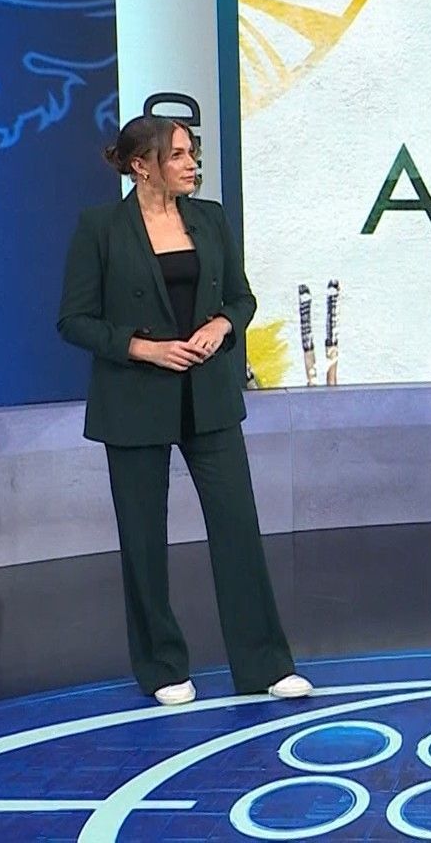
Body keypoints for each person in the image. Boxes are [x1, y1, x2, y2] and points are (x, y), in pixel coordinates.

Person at [57, 113, 311, 706]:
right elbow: (74, 319)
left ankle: (265, 664)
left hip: (209, 397)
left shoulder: (211, 218)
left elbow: (241, 298)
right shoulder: (100, 228)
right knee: (143, 540)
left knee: (237, 529)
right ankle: (161, 666)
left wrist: (223, 326)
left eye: (192, 152)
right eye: (177, 155)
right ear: (141, 166)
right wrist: (144, 348)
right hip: (134, 400)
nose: (192, 163)